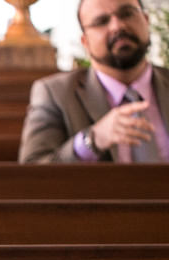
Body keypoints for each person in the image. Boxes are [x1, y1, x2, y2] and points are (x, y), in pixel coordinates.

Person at [19, 0, 168, 163]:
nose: (117, 26)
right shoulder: (54, 93)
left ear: (146, 21)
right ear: (85, 42)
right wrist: (92, 140)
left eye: (127, 14)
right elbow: (33, 168)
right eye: (101, 21)